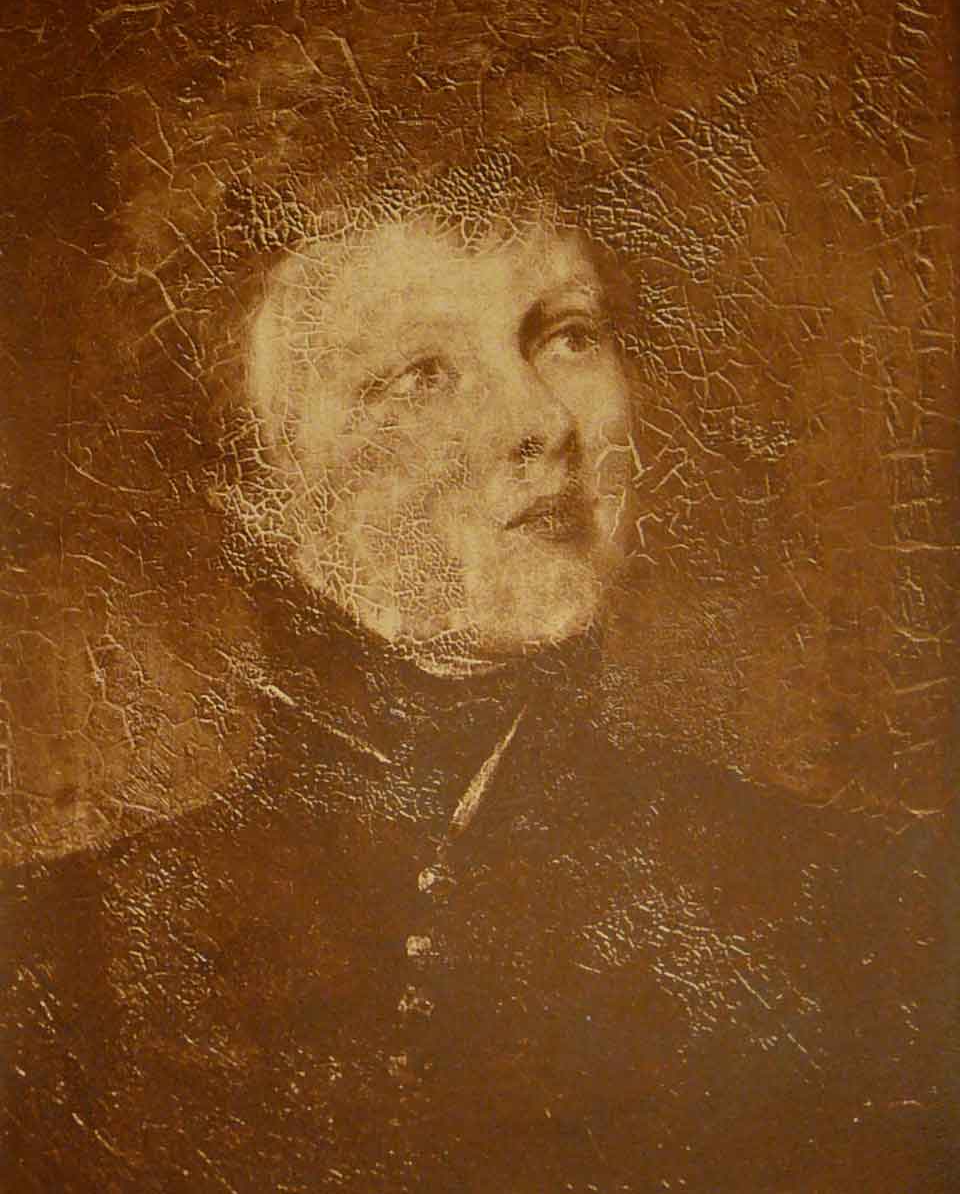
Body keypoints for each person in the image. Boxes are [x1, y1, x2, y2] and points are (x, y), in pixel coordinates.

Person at [1, 179, 950, 1193]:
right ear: (252, 491)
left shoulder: (864, 909)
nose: (542, 420)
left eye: (567, 337)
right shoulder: (64, 959)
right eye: (422, 375)